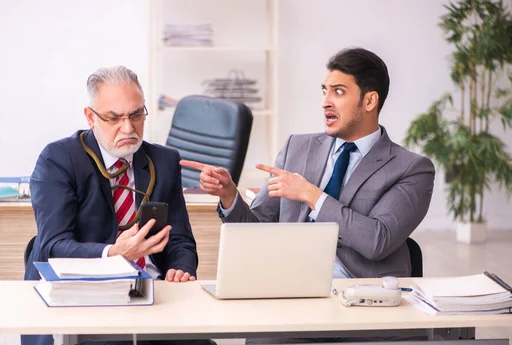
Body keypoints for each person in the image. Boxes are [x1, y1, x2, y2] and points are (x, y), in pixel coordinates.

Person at [181, 47, 436, 279]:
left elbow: (377, 241)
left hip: (361, 297)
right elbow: (255, 231)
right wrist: (229, 196)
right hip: (288, 284)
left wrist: (311, 195)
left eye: (338, 92)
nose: (325, 101)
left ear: (369, 101)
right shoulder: (297, 148)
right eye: (325, 90)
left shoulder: (411, 169)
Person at [21, 65, 198, 345]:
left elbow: (180, 239)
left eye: (136, 115)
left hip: (154, 297)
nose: (128, 127)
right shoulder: (58, 160)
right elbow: (51, 247)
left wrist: (179, 269)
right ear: (91, 117)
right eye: (114, 118)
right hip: (85, 297)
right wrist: (115, 254)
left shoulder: (164, 161)